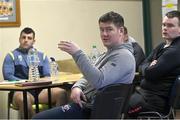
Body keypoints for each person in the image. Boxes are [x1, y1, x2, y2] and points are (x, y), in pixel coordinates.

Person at [32, 11, 136, 119]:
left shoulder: (124, 56)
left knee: (38, 119)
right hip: (86, 106)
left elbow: (99, 80)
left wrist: (77, 53)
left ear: (121, 31)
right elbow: (88, 75)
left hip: (93, 111)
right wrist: (77, 86)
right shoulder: (108, 53)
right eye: (101, 29)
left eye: (109, 29)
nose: (104, 34)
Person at [2, 27, 67, 119]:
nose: (26, 40)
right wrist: (25, 82)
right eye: (23, 37)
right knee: (24, 99)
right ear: (19, 39)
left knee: (61, 93)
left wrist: (36, 81)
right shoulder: (11, 55)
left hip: (40, 91)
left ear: (33, 41)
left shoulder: (42, 56)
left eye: (29, 38)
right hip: (20, 91)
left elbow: (47, 75)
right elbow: (8, 76)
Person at [127, 10, 180, 118]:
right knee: (117, 100)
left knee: (119, 107)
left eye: (170, 25)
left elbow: (150, 73)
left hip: (154, 101)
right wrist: (149, 65)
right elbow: (142, 64)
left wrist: (147, 67)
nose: (165, 28)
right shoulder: (162, 45)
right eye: (164, 24)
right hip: (144, 95)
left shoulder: (175, 51)